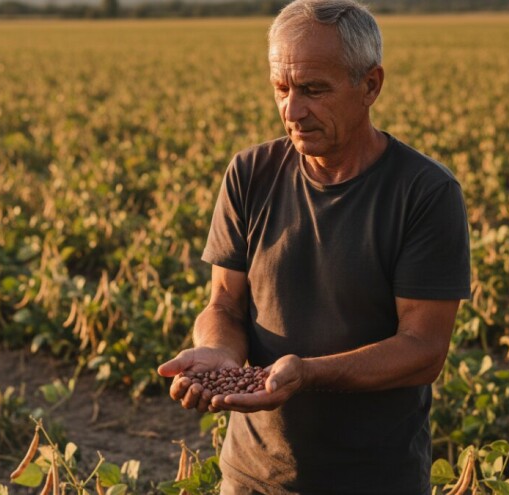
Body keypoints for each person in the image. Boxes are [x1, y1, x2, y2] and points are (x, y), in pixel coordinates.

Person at [157, 0, 471, 492]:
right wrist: (217, 351)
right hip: (252, 475)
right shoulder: (251, 173)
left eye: (312, 90)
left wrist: (306, 374)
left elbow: (424, 350)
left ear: (370, 85)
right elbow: (224, 303)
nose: (292, 110)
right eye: (281, 89)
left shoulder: (424, 192)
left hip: (374, 478)